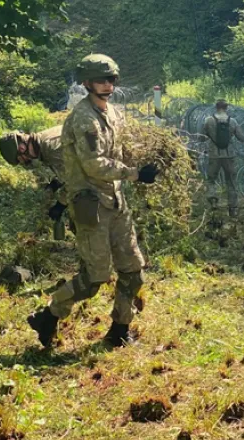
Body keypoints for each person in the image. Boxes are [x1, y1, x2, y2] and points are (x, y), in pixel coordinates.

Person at [26, 54, 160, 348]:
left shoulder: (114, 113)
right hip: (91, 206)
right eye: (101, 80)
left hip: (116, 201)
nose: (107, 85)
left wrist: (146, 157)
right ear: (86, 82)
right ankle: (48, 316)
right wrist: (135, 173)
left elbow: (120, 150)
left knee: (132, 269)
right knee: (95, 278)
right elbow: (95, 164)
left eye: (111, 79)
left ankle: (119, 331)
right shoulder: (84, 118)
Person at [0, 127, 70, 237]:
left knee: (82, 205)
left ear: (22, 149)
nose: (23, 163)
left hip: (102, 168)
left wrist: (61, 204)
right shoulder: (41, 141)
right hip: (96, 163)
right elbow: (68, 166)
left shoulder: (49, 148)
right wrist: (57, 182)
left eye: (20, 160)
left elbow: (77, 180)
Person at [200, 99, 244, 217]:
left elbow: (201, 137)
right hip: (229, 155)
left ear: (216, 107)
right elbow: (242, 137)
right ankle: (233, 209)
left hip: (214, 155)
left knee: (211, 179)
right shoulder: (233, 121)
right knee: (231, 182)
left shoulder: (209, 120)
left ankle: (213, 201)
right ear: (227, 108)